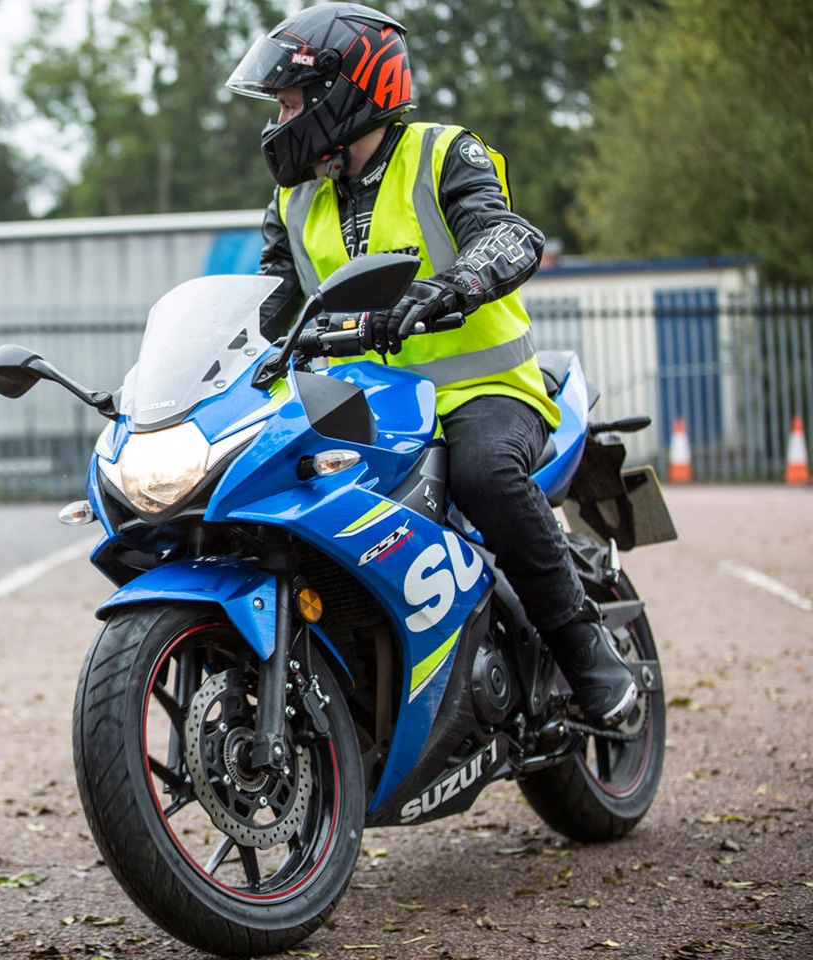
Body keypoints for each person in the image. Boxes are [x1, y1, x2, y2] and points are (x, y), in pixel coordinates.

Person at [226, 3, 637, 728]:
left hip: (479, 391)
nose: (279, 119)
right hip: (365, 404)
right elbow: (267, 306)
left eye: (290, 100)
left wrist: (451, 286)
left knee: (484, 474)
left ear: (343, 93)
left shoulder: (444, 153)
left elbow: (507, 236)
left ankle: (587, 652)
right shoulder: (293, 201)